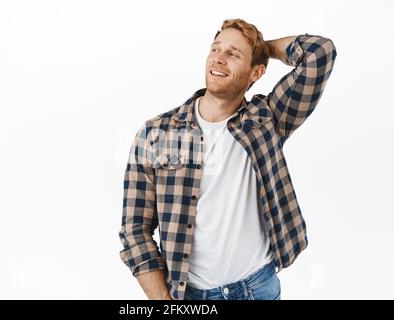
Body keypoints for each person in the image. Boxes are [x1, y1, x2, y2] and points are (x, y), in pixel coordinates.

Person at [118, 18, 337, 300]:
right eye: (215, 49)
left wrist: (263, 49)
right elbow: (135, 229)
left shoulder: (266, 119)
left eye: (233, 54)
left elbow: (319, 53)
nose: (219, 59)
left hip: (259, 288)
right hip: (191, 297)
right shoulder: (156, 134)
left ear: (256, 72)